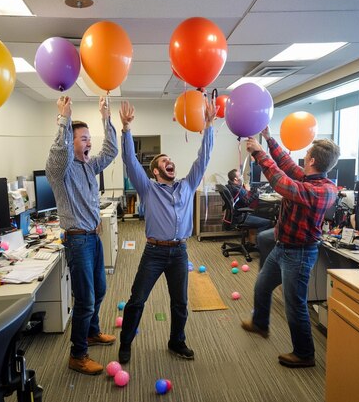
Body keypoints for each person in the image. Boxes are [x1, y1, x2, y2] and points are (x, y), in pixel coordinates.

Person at [117, 98, 218, 364]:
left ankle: (177, 341)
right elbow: (129, 160)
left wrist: (209, 125)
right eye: (164, 160)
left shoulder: (186, 185)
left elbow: (203, 157)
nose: (169, 162)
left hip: (180, 251)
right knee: (137, 300)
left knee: (180, 303)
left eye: (170, 159)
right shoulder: (148, 188)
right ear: (156, 170)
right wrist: (126, 129)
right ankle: (125, 343)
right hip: (154, 252)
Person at [241, 127, 340, 369]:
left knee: (294, 306)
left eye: (306, 154)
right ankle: (260, 324)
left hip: (300, 253)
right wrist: (268, 137)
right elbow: (285, 164)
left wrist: (258, 153)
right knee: (262, 286)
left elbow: (281, 182)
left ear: (313, 160)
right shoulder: (307, 178)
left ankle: (305, 354)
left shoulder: (323, 190)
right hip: (282, 247)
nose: (304, 157)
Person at [46, 96, 118, 375]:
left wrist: (106, 117)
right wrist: (64, 120)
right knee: (86, 298)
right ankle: (78, 355)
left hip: (93, 237)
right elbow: (57, 154)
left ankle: (91, 332)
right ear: (70, 141)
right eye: (84, 138)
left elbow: (111, 152)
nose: (89, 142)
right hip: (77, 240)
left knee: (99, 290)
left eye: (90, 138)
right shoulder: (60, 172)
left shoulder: (89, 166)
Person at [225, 169, 273, 233]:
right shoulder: (238, 190)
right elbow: (247, 202)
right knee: (268, 223)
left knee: (263, 215)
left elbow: (244, 199)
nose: (242, 176)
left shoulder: (230, 187)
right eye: (240, 175)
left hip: (236, 215)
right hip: (241, 216)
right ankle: (259, 241)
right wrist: (257, 193)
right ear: (236, 179)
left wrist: (251, 191)